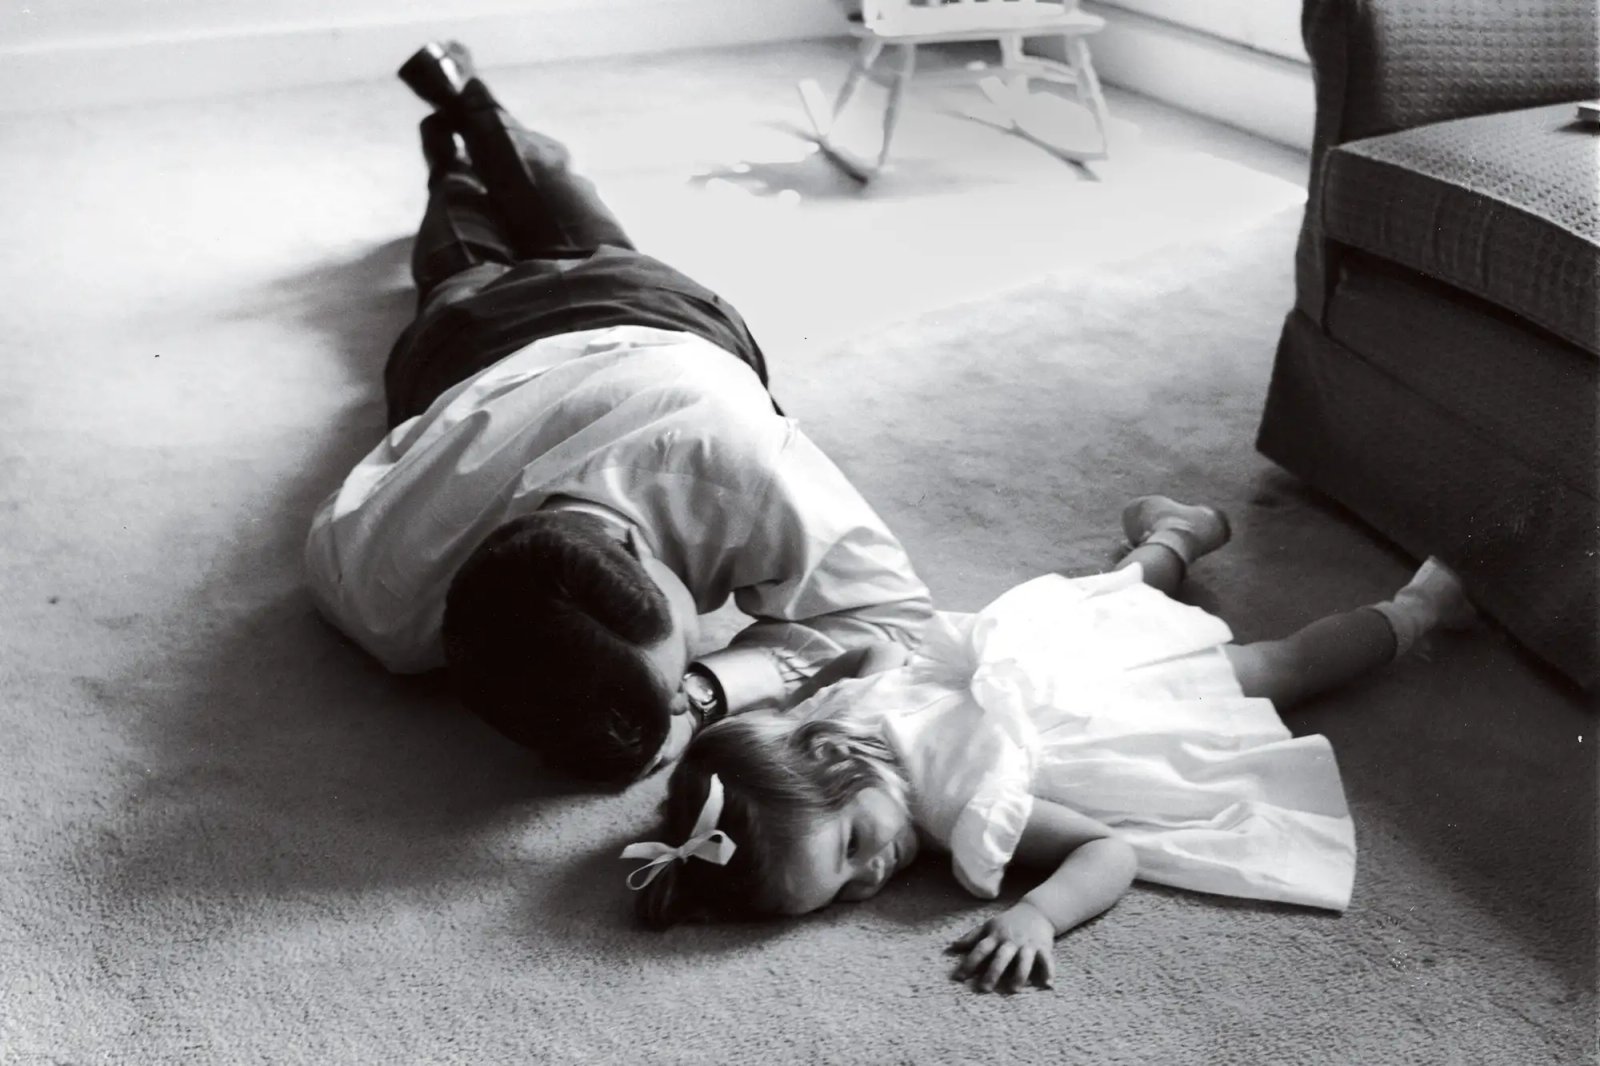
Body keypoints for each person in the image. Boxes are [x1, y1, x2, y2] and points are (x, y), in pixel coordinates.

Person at [304, 42, 932, 787]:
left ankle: (476, 110)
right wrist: (706, 691)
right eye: (677, 678)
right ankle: (452, 150)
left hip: (636, 318)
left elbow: (896, 616)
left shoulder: (741, 459)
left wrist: (701, 692)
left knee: (549, 217)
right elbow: (884, 617)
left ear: (639, 552)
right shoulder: (387, 606)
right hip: (477, 349)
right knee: (458, 246)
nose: (676, 690)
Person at [621, 495, 1479, 992]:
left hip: (1100, 695)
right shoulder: (848, 716)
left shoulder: (959, 805)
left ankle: (1414, 610)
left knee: (1274, 664)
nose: (872, 877)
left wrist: (1038, 909)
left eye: (852, 845)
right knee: (1117, 598)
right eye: (844, 890)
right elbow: (874, 651)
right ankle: (1182, 539)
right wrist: (810, 689)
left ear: (834, 760)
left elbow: (1109, 852)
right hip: (1060, 668)